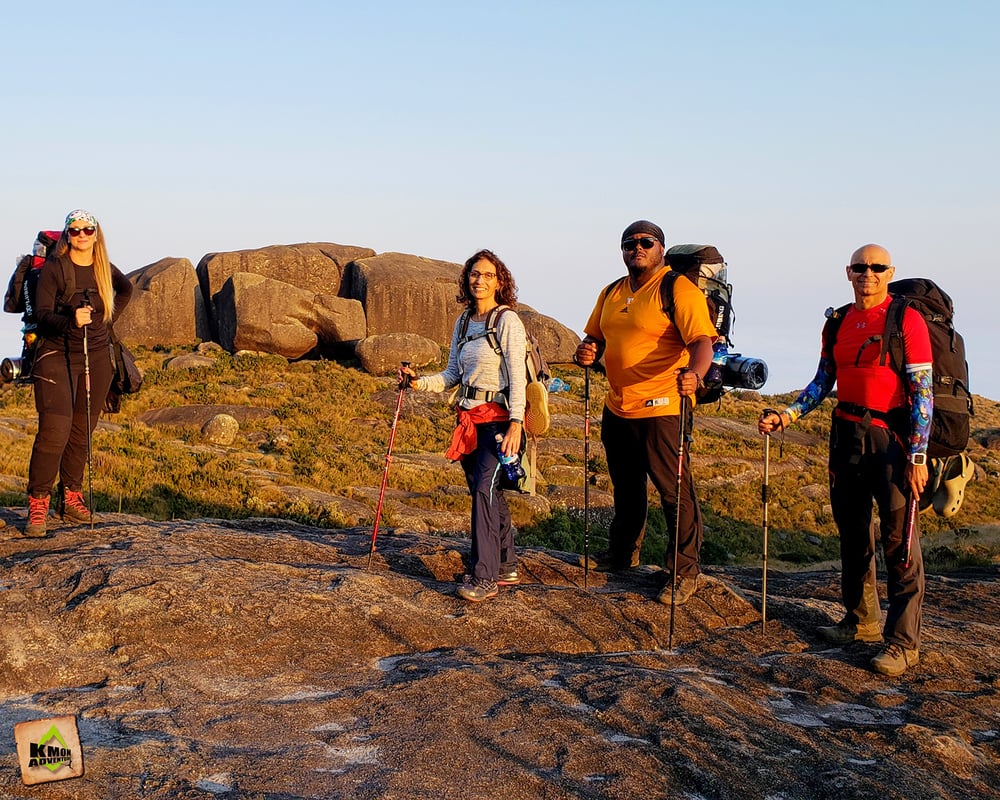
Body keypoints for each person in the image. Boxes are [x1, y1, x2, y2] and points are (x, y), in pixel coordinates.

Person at [758, 243, 932, 677]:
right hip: (846, 437)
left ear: (889, 272)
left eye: (876, 267)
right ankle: (861, 620)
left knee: (899, 540)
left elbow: (922, 393)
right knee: (853, 534)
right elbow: (822, 381)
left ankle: (903, 643)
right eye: (859, 267)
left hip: (892, 444)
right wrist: (788, 414)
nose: (867, 274)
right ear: (848, 272)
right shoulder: (838, 323)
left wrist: (917, 455)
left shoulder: (905, 319)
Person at [575, 221, 716, 605]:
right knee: (627, 486)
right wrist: (587, 351)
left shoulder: (676, 288)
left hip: (664, 406)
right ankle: (622, 554)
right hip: (618, 405)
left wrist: (695, 374)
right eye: (629, 243)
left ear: (660, 249)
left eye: (645, 242)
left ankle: (685, 571)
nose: (636, 248)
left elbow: (702, 342)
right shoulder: (611, 292)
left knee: (674, 492)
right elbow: (595, 338)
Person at [400, 249, 526, 602]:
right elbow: (452, 374)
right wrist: (417, 383)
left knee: (484, 489)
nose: (479, 280)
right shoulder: (463, 322)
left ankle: (483, 576)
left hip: (500, 421)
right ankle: (506, 563)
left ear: (499, 281)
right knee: (487, 492)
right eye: (474, 274)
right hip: (470, 419)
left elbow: (517, 376)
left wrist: (517, 423)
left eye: (487, 275)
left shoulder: (507, 321)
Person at [23, 210, 134, 537]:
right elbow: (42, 314)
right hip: (56, 354)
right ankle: (38, 501)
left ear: (96, 234)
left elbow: (125, 290)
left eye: (88, 229)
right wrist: (71, 319)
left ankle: (71, 496)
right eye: (75, 230)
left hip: (96, 357)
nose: (82, 235)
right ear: (67, 234)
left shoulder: (104, 268)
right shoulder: (56, 269)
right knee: (54, 431)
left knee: (82, 430)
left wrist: (105, 321)